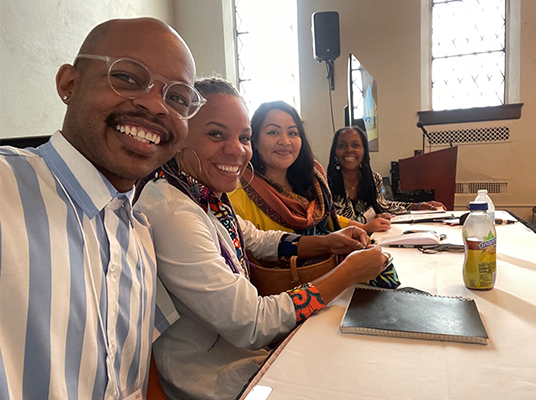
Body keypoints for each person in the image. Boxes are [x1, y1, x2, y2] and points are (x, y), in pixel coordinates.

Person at [133, 78, 389, 400]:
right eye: (216, 134)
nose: (237, 150)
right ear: (179, 135)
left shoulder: (201, 193)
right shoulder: (173, 212)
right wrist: (347, 272)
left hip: (244, 358)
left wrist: (328, 241)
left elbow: (257, 238)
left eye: (243, 137)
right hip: (216, 380)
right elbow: (251, 322)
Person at [0, 18, 201, 399]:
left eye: (177, 98)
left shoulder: (139, 236)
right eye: (127, 77)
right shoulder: (8, 187)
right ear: (69, 84)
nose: (155, 105)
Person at [229, 101, 390, 235]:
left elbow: (328, 217)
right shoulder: (238, 197)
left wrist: (362, 228)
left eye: (292, 133)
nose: (285, 141)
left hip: (333, 263)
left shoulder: (311, 180)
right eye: (273, 132)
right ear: (254, 141)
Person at [327, 126, 446, 223]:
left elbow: (383, 205)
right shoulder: (326, 184)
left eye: (355, 145)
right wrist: (369, 221)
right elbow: (332, 223)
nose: (349, 150)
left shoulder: (373, 179)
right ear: (335, 152)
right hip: (341, 247)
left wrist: (419, 206)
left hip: (372, 240)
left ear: (364, 151)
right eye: (342, 146)